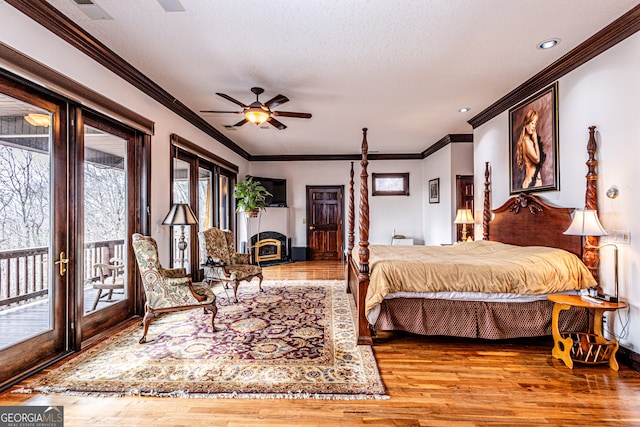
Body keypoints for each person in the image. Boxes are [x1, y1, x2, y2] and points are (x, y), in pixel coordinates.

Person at [516, 109, 545, 189]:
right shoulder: (526, 141)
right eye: (532, 123)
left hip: (531, 181)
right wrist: (535, 140)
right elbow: (537, 159)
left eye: (535, 124)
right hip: (532, 182)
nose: (534, 126)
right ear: (526, 124)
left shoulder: (527, 141)